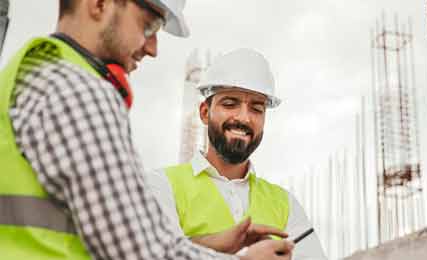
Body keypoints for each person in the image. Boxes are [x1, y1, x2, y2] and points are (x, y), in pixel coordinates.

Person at [0, 1, 293, 259]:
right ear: (99, 3)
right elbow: (138, 252)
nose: (152, 48)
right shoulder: (80, 92)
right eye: (149, 24)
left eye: (256, 107)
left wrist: (212, 246)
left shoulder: (34, 71)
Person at [147, 48, 328, 259]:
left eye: (256, 109)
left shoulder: (285, 204)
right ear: (205, 113)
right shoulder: (161, 186)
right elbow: (154, 253)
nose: (244, 118)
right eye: (230, 104)